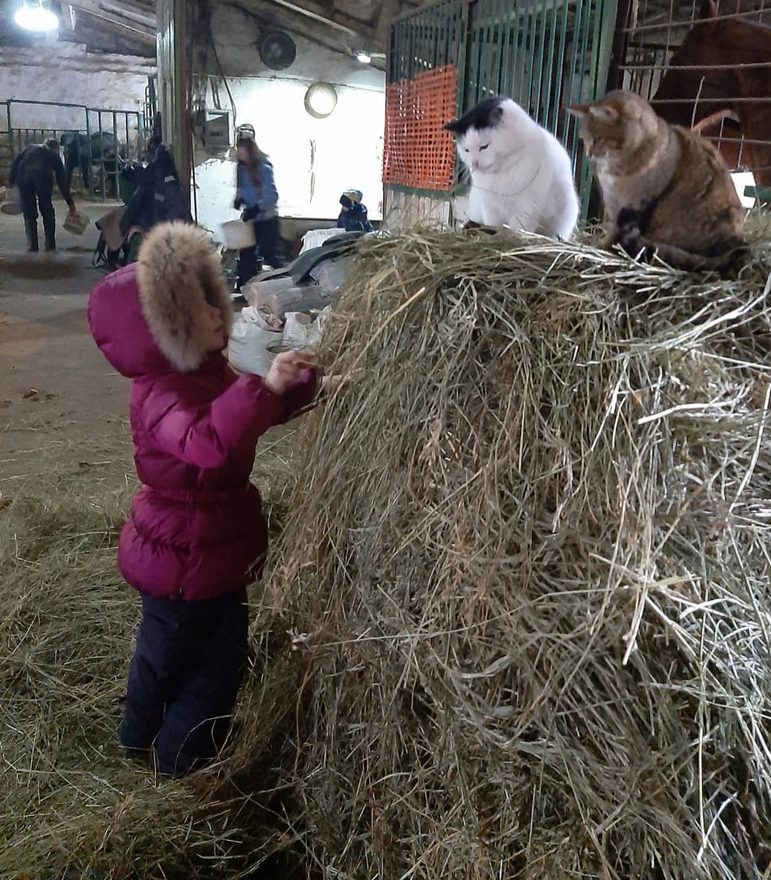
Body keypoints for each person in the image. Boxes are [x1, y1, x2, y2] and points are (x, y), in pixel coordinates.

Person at [87, 221, 317, 776]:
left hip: (212, 549)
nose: (221, 311)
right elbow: (209, 442)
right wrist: (259, 390)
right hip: (180, 557)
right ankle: (166, 757)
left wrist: (301, 388)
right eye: (202, 309)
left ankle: (166, 745)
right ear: (167, 332)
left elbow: (249, 417)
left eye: (215, 298)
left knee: (218, 658)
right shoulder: (161, 393)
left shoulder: (208, 373)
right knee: (171, 660)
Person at [9, 138, 76, 252]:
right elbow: (62, 182)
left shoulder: (29, 148)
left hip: (23, 174)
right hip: (42, 173)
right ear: (56, 148)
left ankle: (32, 245)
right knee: (46, 208)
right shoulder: (53, 154)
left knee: (29, 211)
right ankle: (50, 245)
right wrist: (70, 203)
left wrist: (11, 184)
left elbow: (15, 164)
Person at [233, 136, 283, 287]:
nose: (240, 155)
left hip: (267, 219)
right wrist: (239, 199)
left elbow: (272, 195)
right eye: (238, 152)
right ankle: (246, 289)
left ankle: (289, 282)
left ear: (250, 151)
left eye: (242, 152)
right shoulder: (242, 168)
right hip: (253, 220)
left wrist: (257, 208)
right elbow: (242, 189)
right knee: (246, 255)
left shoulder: (263, 167)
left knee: (269, 253)